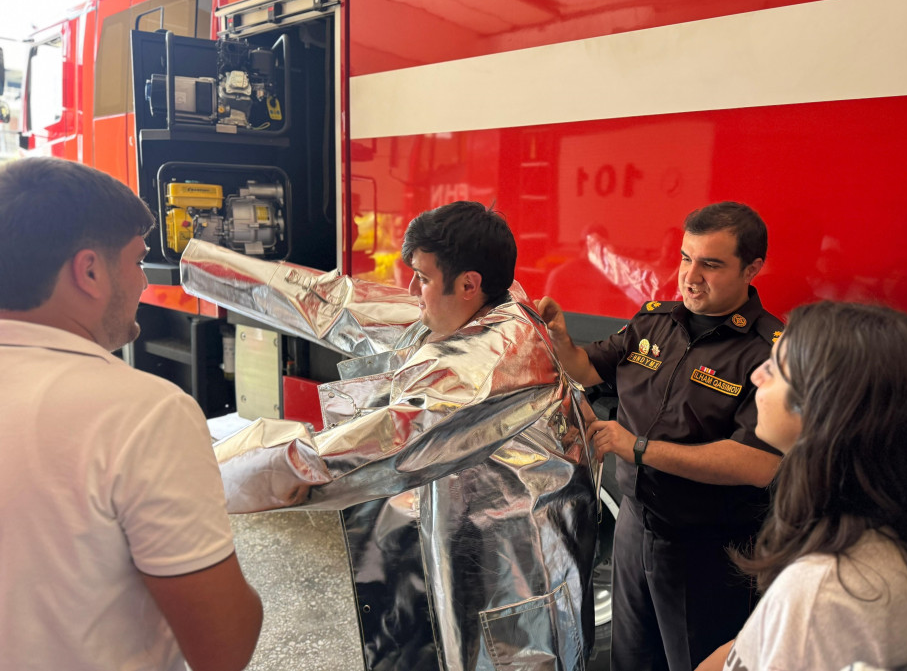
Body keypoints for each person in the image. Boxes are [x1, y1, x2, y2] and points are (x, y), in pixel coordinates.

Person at [179, 200, 598, 671]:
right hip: (477, 554)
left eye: (422, 278)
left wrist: (195, 479)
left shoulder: (487, 367)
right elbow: (339, 305)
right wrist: (205, 267)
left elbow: (364, 451)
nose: (412, 290)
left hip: (514, 582)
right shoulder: (482, 307)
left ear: (468, 284)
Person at [0, 157, 262, 671]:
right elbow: (224, 648)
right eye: (138, 261)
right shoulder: (144, 413)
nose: (143, 282)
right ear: (90, 271)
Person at [538, 201, 784, 671]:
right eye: (686, 258)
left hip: (709, 547)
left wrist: (638, 449)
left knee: (695, 662)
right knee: (629, 659)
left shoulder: (767, 351)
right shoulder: (654, 321)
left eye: (711, 264)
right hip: (634, 527)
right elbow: (587, 369)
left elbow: (758, 463)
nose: (691, 276)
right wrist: (559, 338)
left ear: (752, 269)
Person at [696, 301, 907, 671]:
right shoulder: (890, 543)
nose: (757, 375)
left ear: (823, 409)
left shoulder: (823, 592)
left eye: (774, 367)